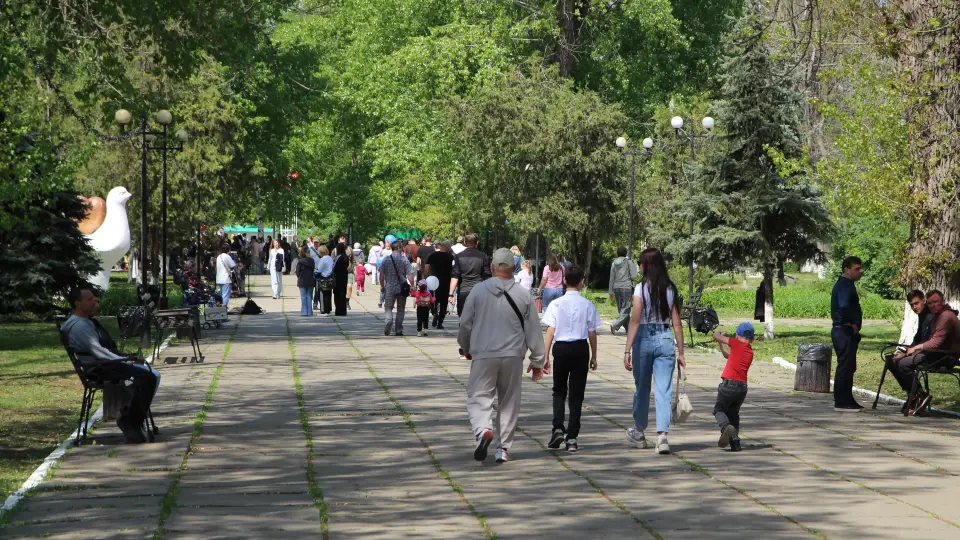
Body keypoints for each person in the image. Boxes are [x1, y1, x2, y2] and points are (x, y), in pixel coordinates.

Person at [459, 248, 546, 463]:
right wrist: (537, 360)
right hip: (513, 354)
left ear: (492, 267)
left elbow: (465, 324)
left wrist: (466, 347)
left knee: (479, 396)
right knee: (509, 400)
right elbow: (533, 329)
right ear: (513, 268)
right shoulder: (523, 294)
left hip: (484, 352)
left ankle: (482, 430)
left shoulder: (478, 291)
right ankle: (503, 448)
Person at [61, 288, 160, 443]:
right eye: (90, 300)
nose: (95, 301)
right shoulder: (80, 326)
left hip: (107, 364)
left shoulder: (86, 321)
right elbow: (98, 351)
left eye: (95, 298)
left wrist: (126, 357)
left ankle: (131, 415)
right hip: (100, 369)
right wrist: (124, 360)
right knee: (145, 378)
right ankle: (130, 421)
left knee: (144, 377)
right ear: (77, 304)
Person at [622, 247, 686, 455]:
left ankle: (639, 431)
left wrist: (627, 349)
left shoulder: (640, 288)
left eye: (641, 263)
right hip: (666, 338)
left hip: (643, 339)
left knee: (642, 388)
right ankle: (662, 437)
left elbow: (635, 318)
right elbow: (677, 324)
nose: (640, 266)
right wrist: (682, 353)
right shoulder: (670, 288)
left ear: (647, 265)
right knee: (663, 389)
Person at [542, 264, 599, 453]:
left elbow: (550, 330)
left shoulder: (556, 304)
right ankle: (572, 438)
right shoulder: (588, 305)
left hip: (561, 349)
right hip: (580, 348)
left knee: (559, 390)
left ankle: (557, 427)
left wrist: (545, 355)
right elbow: (592, 333)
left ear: (564, 280)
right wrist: (594, 356)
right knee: (576, 394)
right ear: (582, 282)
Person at [889, 290, 960, 415]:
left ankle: (918, 396)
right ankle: (917, 395)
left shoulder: (945, 316)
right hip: (935, 353)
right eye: (931, 303)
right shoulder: (936, 315)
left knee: (903, 363)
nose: (932, 305)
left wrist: (913, 350)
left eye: (936, 302)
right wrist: (908, 350)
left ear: (942, 301)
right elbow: (924, 339)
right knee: (892, 360)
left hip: (946, 356)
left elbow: (935, 342)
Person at [711, 323, 755, 452]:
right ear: (752, 339)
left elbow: (715, 336)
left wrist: (718, 334)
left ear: (737, 335)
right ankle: (735, 442)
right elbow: (727, 355)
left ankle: (726, 428)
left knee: (719, 410)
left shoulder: (736, 343)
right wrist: (721, 343)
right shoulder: (749, 351)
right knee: (733, 414)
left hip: (729, 385)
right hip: (742, 388)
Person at [831, 256, 865, 412]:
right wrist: (852, 323)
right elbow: (845, 306)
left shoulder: (847, 284)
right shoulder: (845, 285)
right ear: (846, 269)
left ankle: (847, 398)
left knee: (848, 365)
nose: (860, 271)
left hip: (843, 330)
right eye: (856, 269)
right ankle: (842, 401)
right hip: (843, 330)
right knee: (845, 366)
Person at [449, 233, 491, 318]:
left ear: (465, 242)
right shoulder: (483, 256)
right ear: (477, 243)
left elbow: (455, 276)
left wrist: (450, 294)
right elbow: (487, 276)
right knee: (478, 318)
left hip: (464, 291)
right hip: (479, 291)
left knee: (463, 318)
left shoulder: (458, 256)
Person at [381, 240, 414, 336]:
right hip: (402, 287)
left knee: (388, 307)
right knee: (401, 308)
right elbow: (410, 274)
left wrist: (382, 286)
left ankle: (388, 321)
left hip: (390, 287)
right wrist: (412, 285)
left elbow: (381, 275)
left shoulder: (386, 259)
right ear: (399, 248)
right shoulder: (404, 259)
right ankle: (398, 329)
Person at [425, 240, 455, 329]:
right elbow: (453, 271)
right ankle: (440, 322)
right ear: (448, 247)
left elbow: (426, 268)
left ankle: (434, 313)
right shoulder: (450, 257)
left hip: (433, 281)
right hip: (445, 282)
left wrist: (426, 278)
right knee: (443, 303)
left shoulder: (432, 255)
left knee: (432, 300)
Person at [608, 246, 639, 335]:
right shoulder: (629, 262)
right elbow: (634, 275)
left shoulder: (614, 263)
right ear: (626, 253)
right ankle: (615, 324)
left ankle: (628, 329)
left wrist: (610, 291)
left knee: (622, 309)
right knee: (626, 308)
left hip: (616, 287)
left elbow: (611, 278)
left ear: (617, 253)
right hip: (626, 287)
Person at [215, 244, 237, 308]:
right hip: (226, 278)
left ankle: (220, 309)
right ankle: (223, 310)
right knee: (225, 296)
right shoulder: (227, 256)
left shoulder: (218, 257)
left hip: (219, 278)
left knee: (222, 295)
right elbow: (233, 266)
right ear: (228, 249)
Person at [295, 247, 315, 316]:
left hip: (302, 280)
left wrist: (299, 276)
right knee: (309, 296)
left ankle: (304, 312)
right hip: (310, 280)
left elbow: (297, 272)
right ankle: (310, 312)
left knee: (303, 297)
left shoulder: (300, 261)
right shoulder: (312, 261)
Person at [317, 245, 334, 315]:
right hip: (330, 277)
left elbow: (319, 269)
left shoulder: (322, 259)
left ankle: (323, 310)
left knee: (322, 295)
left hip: (323, 278)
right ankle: (328, 309)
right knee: (328, 294)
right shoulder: (330, 258)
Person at [333, 243, 349, 316]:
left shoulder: (338, 257)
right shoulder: (346, 257)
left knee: (337, 294)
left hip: (338, 278)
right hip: (344, 277)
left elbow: (334, 268)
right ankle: (343, 310)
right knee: (343, 294)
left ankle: (338, 310)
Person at [377, 240, 394, 309]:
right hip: (389, 271)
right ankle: (383, 301)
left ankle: (381, 302)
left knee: (383, 287)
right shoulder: (391, 251)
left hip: (385, 270)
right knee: (386, 288)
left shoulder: (384, 251)